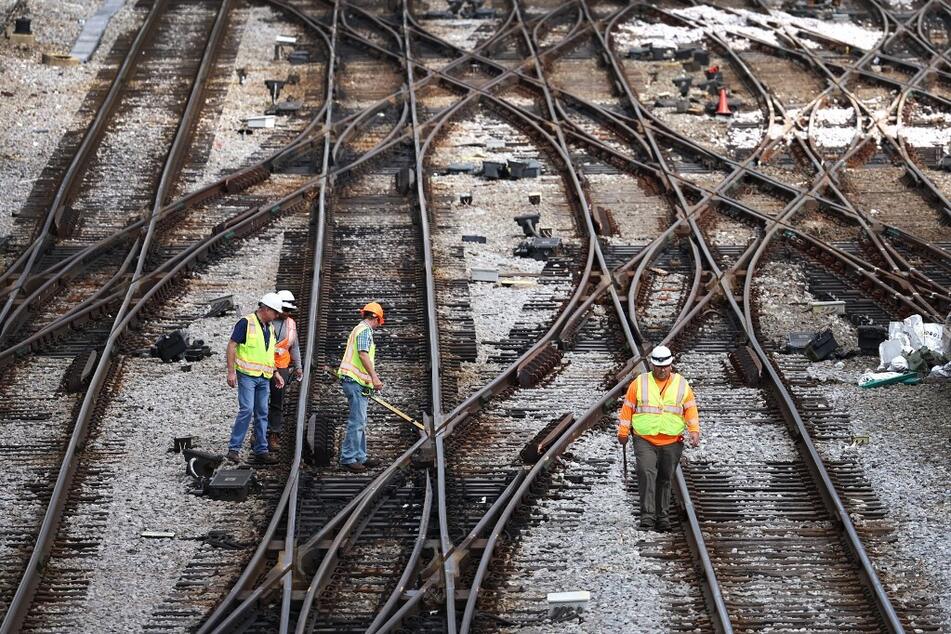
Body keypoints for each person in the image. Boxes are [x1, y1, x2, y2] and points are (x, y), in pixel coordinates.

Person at [617, 345, 700, 532]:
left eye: (666, 366)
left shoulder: (681, 384)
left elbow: (690, 408)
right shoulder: (639, 383)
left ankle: (662, 517)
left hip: (671, 440)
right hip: (644, 438)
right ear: (653, 365)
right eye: (658, 366)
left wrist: (694, 430)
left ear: (671, 365)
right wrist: (623, 432)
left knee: (664, 479)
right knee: (646, 473)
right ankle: (647, 516)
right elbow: (627, 408)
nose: (662, 370)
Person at [226, 293, 285, 464]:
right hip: (247, 375)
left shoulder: (270, 328)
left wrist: (275, 373)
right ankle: (234, 449)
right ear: (265, 309)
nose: (276, 316)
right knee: (247, 410)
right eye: (274, 312)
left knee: (262, 413)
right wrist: (231, 372)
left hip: (264, 377)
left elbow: (267, 354)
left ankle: (261, 450)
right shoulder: (246, 322)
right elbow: (232, 346)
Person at [336, 302, 385, 473]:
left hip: (356, 381)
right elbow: (363, 355)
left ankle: (360, 456)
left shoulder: (359, 329)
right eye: (380, 321)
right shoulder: (364, 331)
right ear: (376, 318)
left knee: (360, 421)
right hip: (354, 381)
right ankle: (348, 458)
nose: (379, 325)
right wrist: (375, 377)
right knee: (357, 421)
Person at [267, 289, 303, 452]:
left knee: (277, 403)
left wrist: (298, 367)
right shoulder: (267, 322)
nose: (287, 313)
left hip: (281, 367)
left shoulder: (291, 324)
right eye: (285, 310)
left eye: (290, 310)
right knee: (259, 403)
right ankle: (259, 434)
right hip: (263, 366)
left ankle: (273, 435)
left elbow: (294, 346)